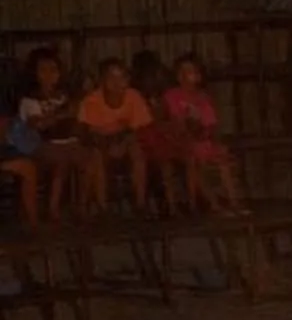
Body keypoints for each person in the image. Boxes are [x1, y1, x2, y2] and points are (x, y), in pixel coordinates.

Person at [152, 54, 243, 213]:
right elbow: (161, 121)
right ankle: (213, 204)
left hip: (199, 140)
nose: (185, 75)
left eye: (190, 71)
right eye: (181, 71)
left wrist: (204, 135)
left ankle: (234, 201)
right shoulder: (171, 96)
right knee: (194, 160)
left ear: (199, 76)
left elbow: (210, 125)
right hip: (177, 142)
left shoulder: (203, 98)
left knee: (222, 157)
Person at [72, 58, 155, 214]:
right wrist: (107, 146)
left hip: (125, 141)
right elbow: (88, 133)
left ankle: (140, 204)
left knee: (138, 153)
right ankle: (102, 206)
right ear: (102, 80)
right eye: (111, 77)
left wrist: (122, 144)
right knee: (95, 157)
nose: (116, 82)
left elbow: (139, 129)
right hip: (98, 143)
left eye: (121, 77)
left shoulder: (134, 97)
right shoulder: (91, 101)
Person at [9, 50, 82, 221]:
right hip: (39, 145)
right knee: (61, 159)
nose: (49, 75)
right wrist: (62, 115)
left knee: (90, 158)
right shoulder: (29, 100)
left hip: (67, 142)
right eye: (43, 70)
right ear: (34, 73)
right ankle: (53, 208)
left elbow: (77, 117)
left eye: (53, 70)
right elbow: (40, 125)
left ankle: (84, 206)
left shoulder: (64, 96)